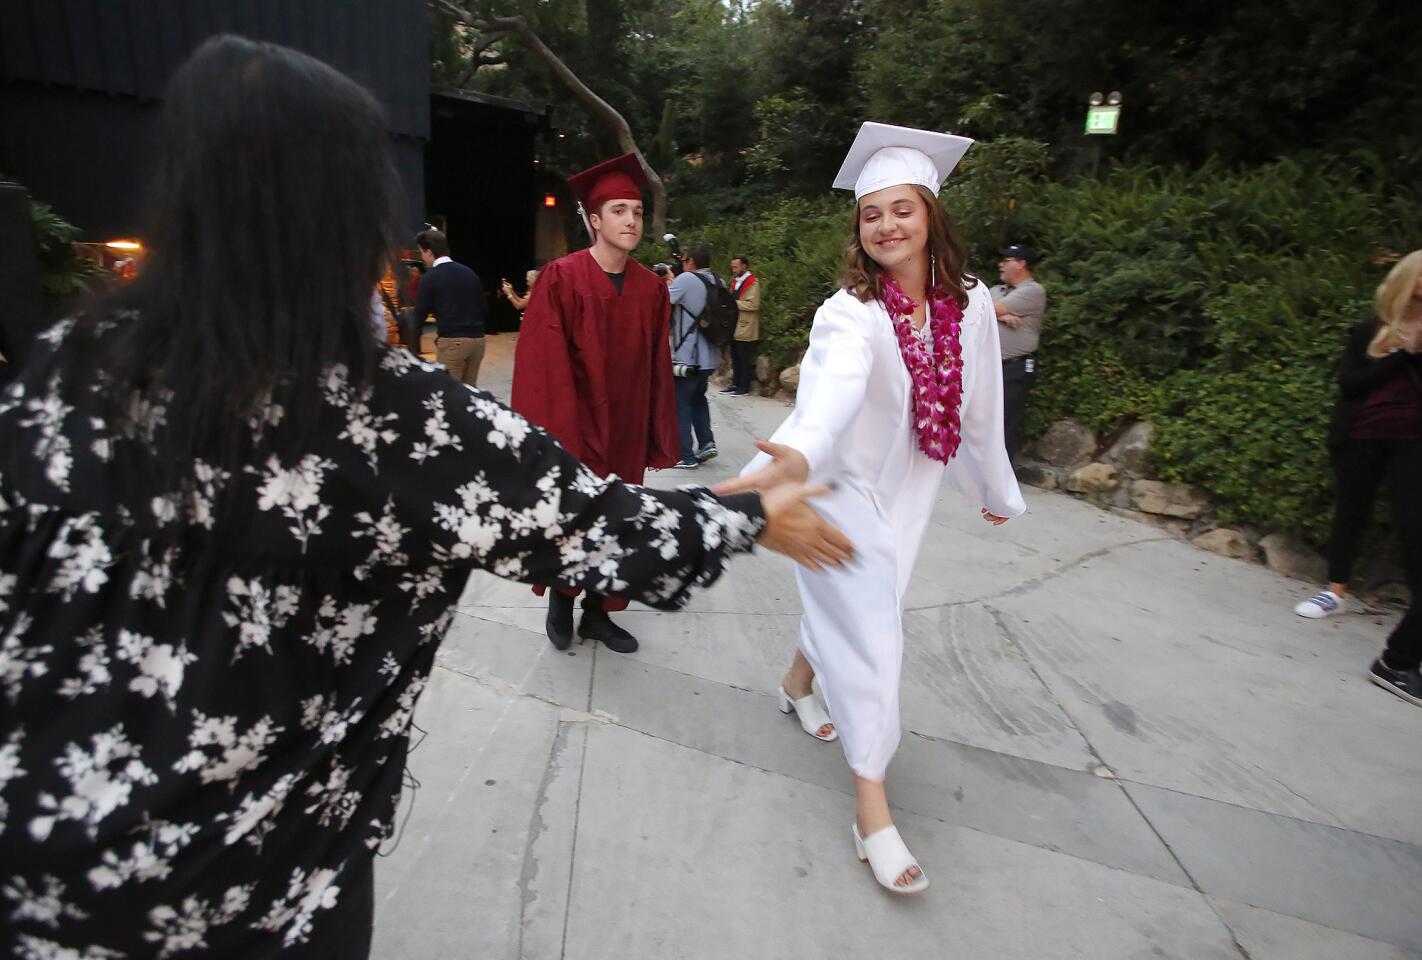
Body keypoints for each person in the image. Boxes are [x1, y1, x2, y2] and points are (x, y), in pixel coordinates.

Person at [0, 37, 853, 959]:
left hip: (36, 856)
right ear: (352, 215)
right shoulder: (386, 419)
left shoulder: (67, 368)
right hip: (254, 887)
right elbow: (597, 531)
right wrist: (750, 509)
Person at [721, 121, 1025, 896]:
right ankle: (872, 809)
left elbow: (980, 398)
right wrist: (794, 455)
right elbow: (830, 398)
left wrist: (991, 485)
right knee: (875, 636)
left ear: (930, 215)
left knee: (863, 609)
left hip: (913, 487)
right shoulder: (848, 312)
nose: (886, 225)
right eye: (870, 213)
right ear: (858, 229)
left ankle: (794, 685)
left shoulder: (972, 304)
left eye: (901, 209)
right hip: (843, 488)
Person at [510, 153, 682, 655]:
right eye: (619, 210)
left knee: (619, 524)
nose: (631, 220)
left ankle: (597, 613)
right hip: (575, 428)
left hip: (625, 431)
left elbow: (656, 367)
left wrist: (654, 429)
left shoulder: (652, 288)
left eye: (637, 211)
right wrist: (553, 440)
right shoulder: (561, 279)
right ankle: (561, 604)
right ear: (593, 220)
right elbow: (542, 364)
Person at [1291, 252, 1422, 705]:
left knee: (1413, 523)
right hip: (1363, 433)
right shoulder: (1370, 329)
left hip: (1412, 443)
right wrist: (1400, 353)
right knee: (1352, 510)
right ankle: (1335, 591)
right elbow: (1351, 383)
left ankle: (1411, 621)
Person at [989, 244, 1046, 462]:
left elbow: (987, 308)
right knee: (984, 421)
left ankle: (1003, 480)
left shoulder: (1033, 291)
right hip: (992, 366)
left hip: (1016, 367)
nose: (1001, 264)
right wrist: (1003, 317)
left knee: (1004, 421)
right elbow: (970, 309)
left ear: (1021, 263)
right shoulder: (997, 291)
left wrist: (996, 312)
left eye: (1007, 260)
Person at [668, 243, 722, 468]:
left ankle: (685, 455)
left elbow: (661, 299)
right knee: (699, 398)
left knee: (681, 403)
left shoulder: (686, 280)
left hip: (688, 356)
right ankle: (706, 443)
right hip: (710, 355)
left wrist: (672, 279)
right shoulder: (718, 281)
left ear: (690, 262)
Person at [415, 227, 487, 386]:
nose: (422, 258)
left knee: (449, 394)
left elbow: (419, 315)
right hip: (478, 341)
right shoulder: (469, 273)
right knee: (469, 394)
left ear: (428, 252)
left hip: (453, 341)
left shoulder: (430, 278)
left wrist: (412, 351)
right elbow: (483, 308)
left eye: (421, 252)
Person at [724, 255, 760, 396]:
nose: (733, 269)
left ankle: (743, 387)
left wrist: (734, 303)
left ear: (744, 266)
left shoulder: (752, 283)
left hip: (745, 325)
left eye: (736, 267)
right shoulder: (736, 282)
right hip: (735, 324)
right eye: (732, 267)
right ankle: (735, 383)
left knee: (743, 357)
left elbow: (753, 304)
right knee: (735, 356)